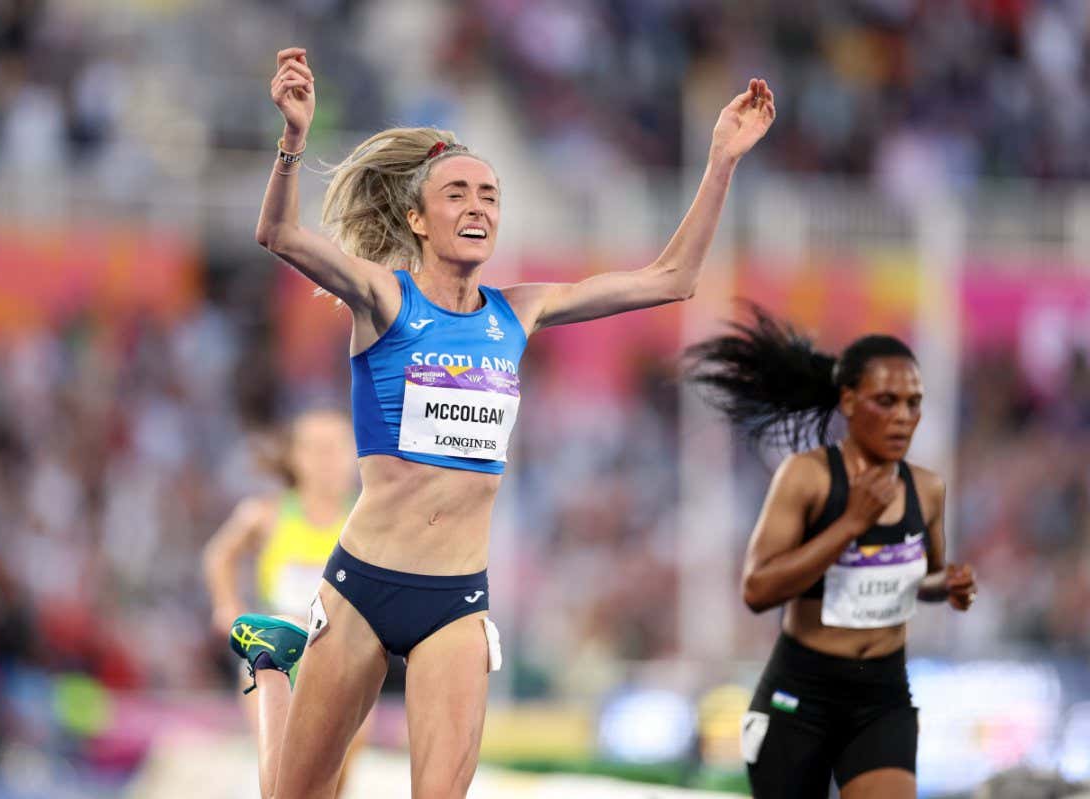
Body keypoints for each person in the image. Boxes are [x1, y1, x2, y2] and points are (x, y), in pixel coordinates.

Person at [235, 46, 774, 799]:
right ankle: (270, 667)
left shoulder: (519, 312)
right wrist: (294, 140)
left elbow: (673, 278)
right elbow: (281, 237)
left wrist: (720, 159)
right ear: (419, 218)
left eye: (490, 194)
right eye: (457, 193)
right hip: (360, 583)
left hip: (455, 599)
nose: (479, 205)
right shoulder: (385, 302)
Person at [686, 305, 978, 799]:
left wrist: (945, 584)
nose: (903, 417)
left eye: (914, 402)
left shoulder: (927, 489)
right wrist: (850, 525)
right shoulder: (808, 477)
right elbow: (757, 590)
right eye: (887, 401)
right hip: (801, 696)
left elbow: (919, 580)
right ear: (848, 401)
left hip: (883, 694)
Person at [202, 410, 364, 799]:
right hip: (276, 665)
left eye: (338, 447)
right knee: (280, 776)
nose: (328, 459)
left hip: (343, 666)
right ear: (294, 457)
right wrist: (227, 607)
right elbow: (218, 556)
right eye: (317, 449)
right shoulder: (267, 514)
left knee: (336, 779)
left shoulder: (364, 522)